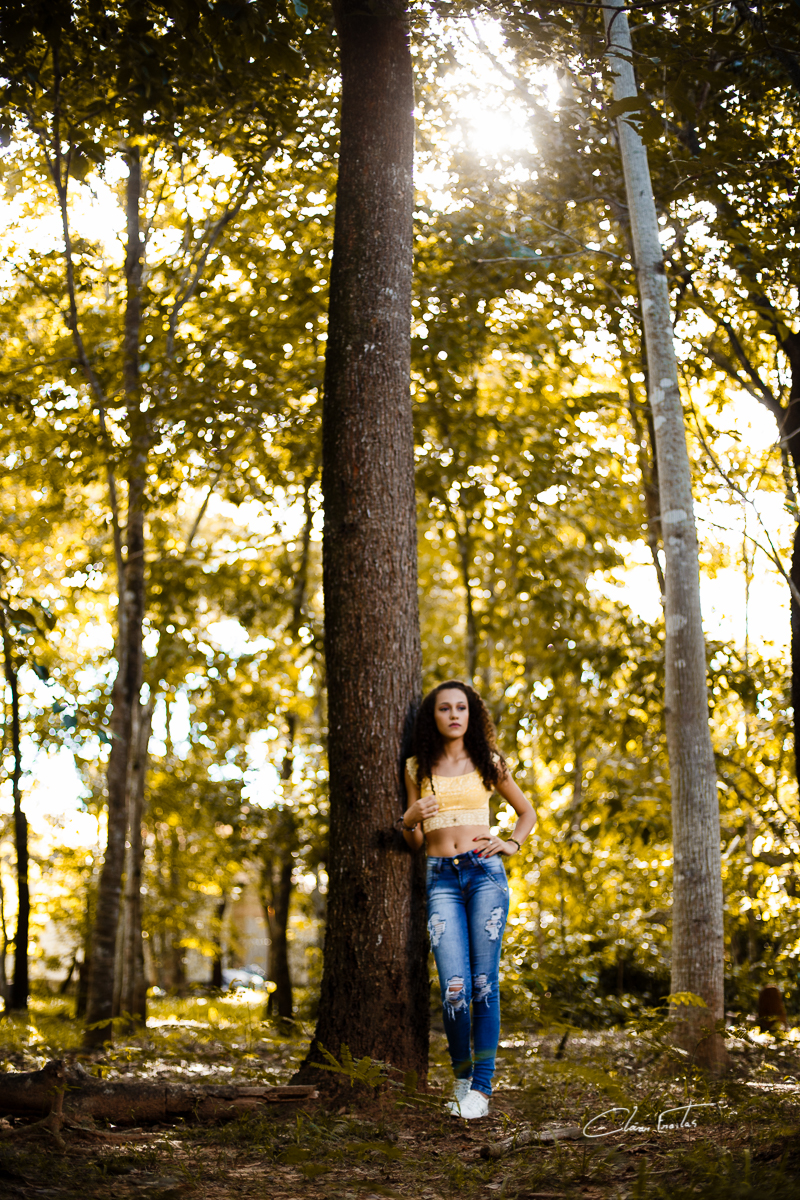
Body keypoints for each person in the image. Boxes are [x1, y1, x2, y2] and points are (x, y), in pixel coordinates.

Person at [400, 680, 536, 1119]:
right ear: (433, 716)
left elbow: (527, 813)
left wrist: (511, 844)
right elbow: (415, 844)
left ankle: (481, 1087)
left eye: (462, 708)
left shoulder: (489, 762)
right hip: (440, 878)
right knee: (454, 988)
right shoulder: (417, 767)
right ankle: (461, 1080)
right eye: (445, 708)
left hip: (484, 877)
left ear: (471, 715)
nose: (454, 715)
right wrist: (408, 819)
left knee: (483, 984)